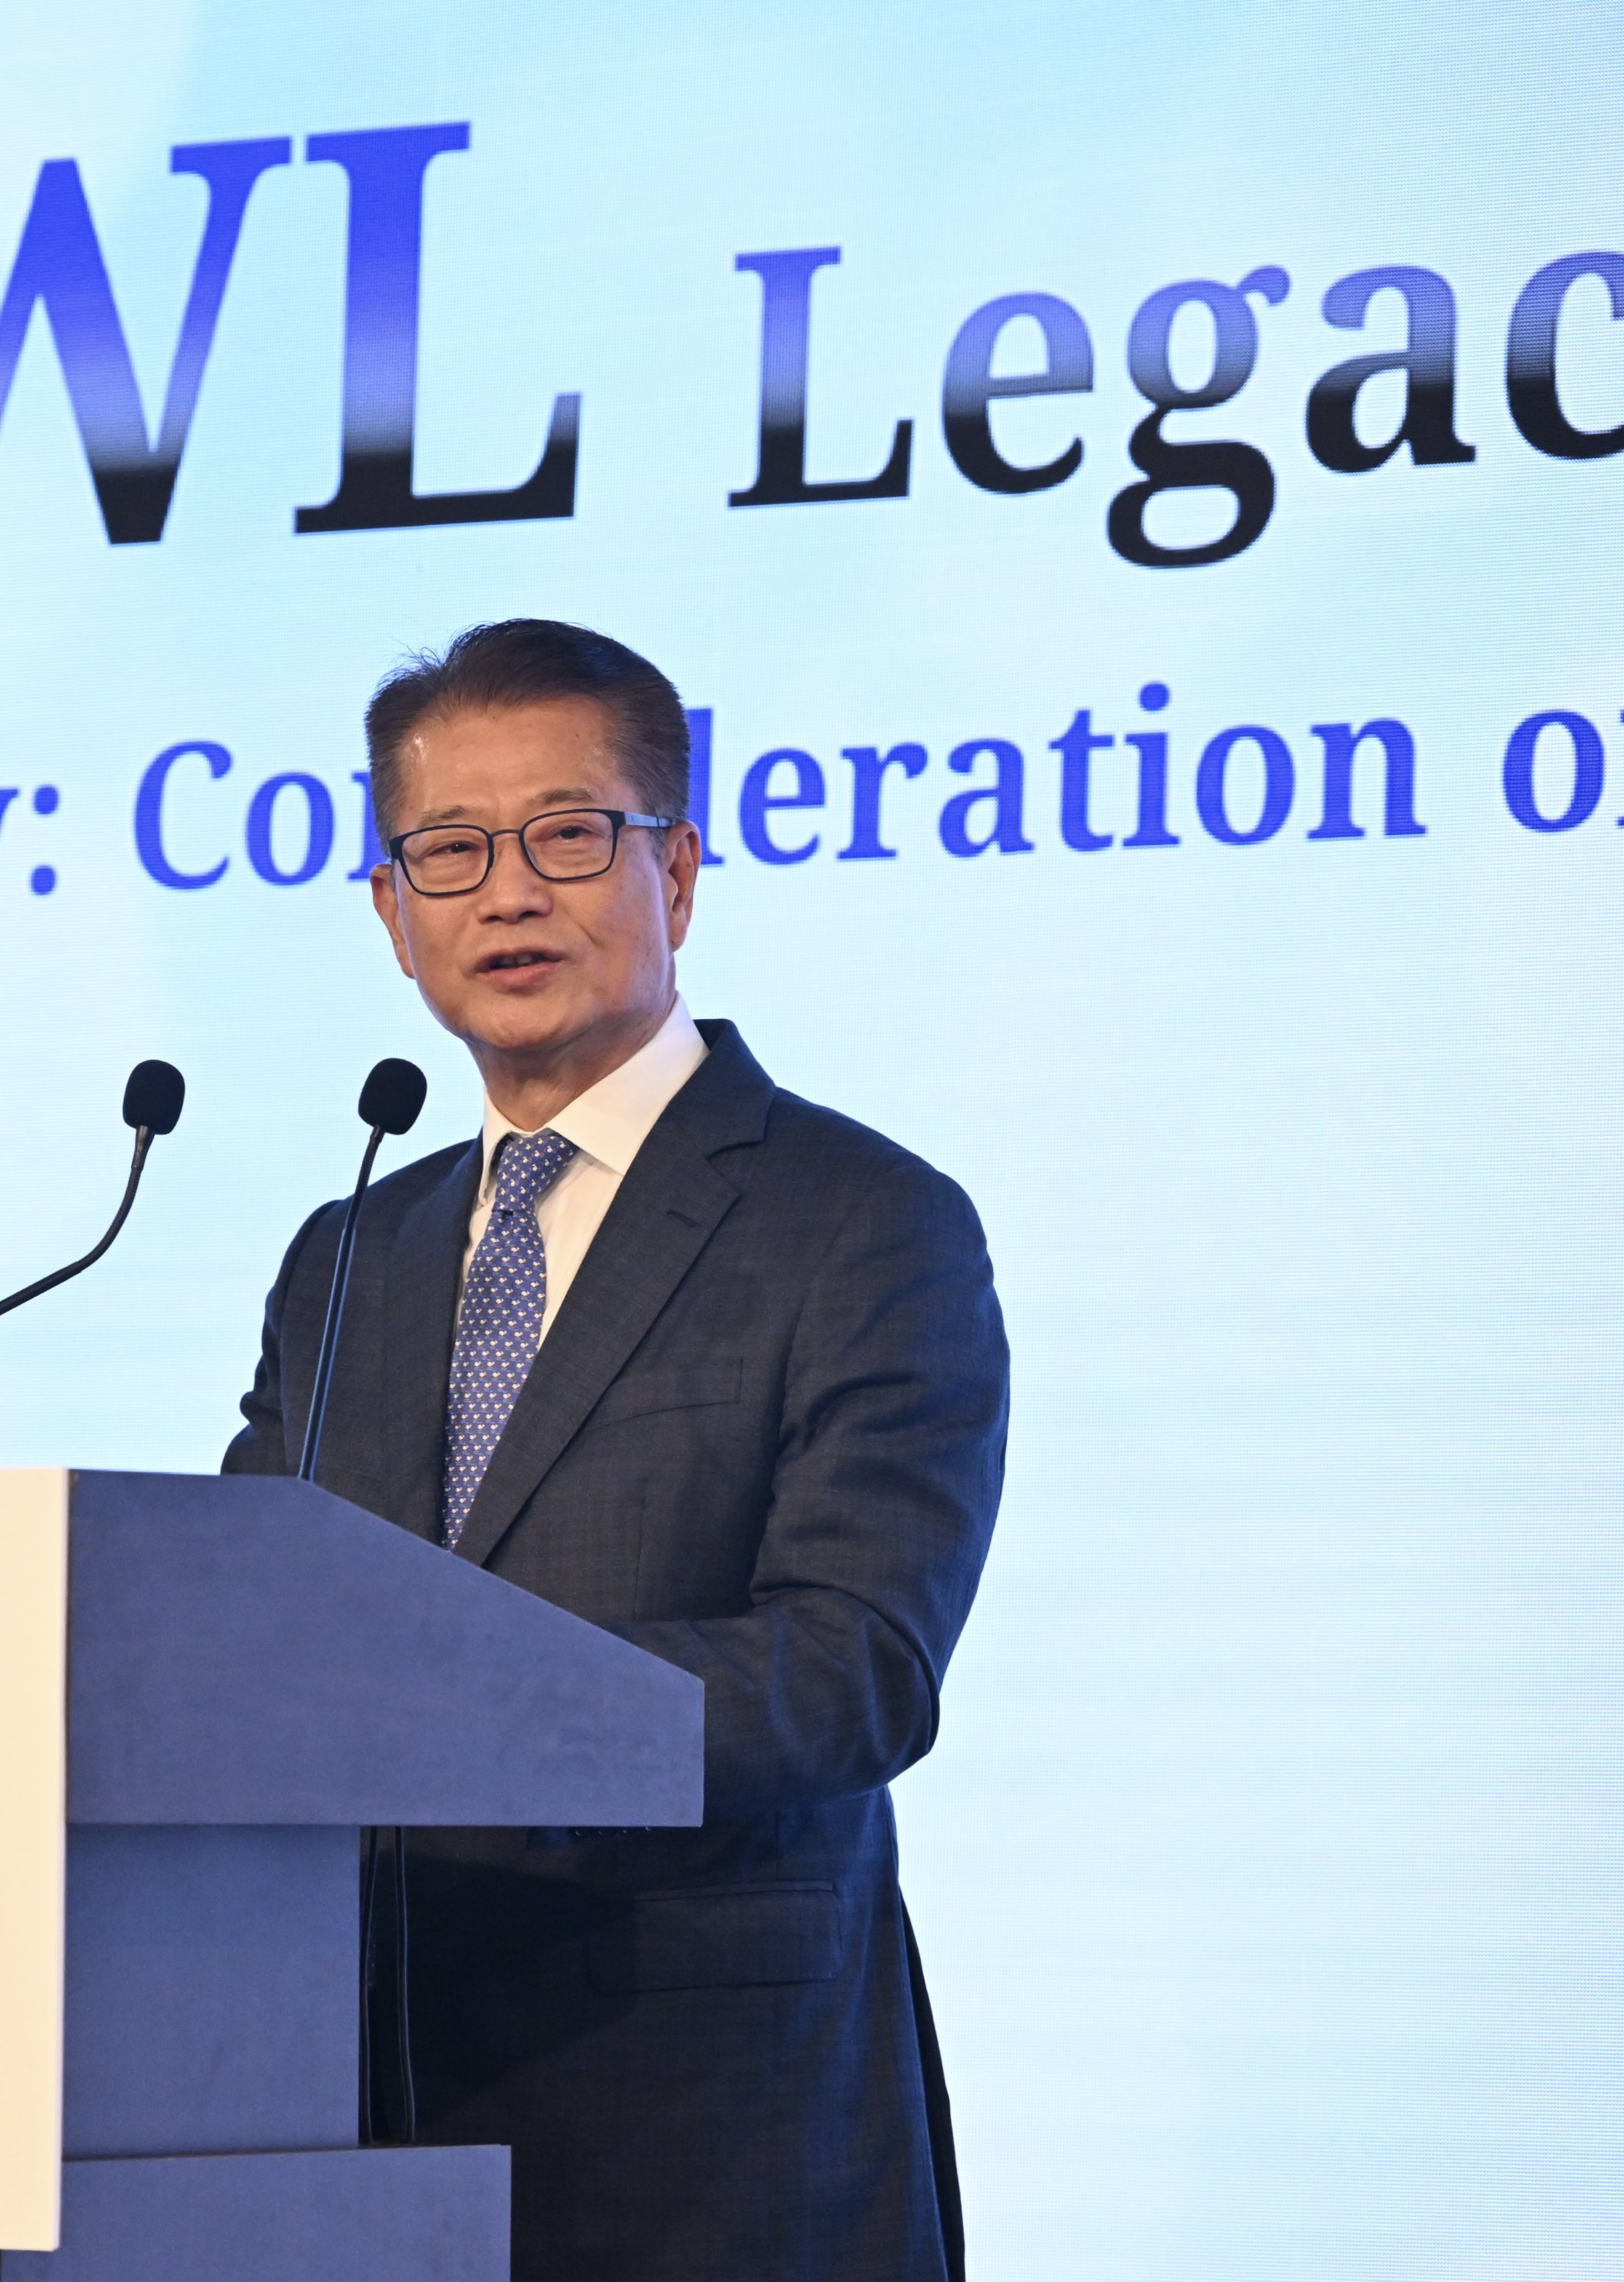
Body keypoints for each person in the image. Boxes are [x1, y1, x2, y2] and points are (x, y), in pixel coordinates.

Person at [222, 619, 1008, 2282]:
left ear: (681, 872)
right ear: (388, 910)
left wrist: (453, 1712)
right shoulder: (342, 1253)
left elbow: (855, 1666)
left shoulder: (859, 1224)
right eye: (446, 850)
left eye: (566, 835)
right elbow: (233, 1634)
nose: (507, 893)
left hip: (706, 2133)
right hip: (338, 2122)